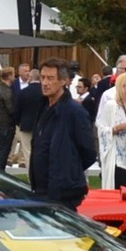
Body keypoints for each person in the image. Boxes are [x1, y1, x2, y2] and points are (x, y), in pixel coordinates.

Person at [28, 58, 98, 210]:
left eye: (50, 78)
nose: (45, 83)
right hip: (41, 189)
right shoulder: (43, 106)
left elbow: (89, 152)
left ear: (64, 81)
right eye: (42, 77)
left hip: (63, 194)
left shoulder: (74, 111)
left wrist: (68, 172)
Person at [13, 68, 45, 170]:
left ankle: (31, 175)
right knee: (41, 150)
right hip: (42, 125)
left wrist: (18, 122)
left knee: (27, 151)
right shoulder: (44, 92)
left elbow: (17, 110)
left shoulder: (23, 93)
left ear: (31, 78)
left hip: (26, 124)